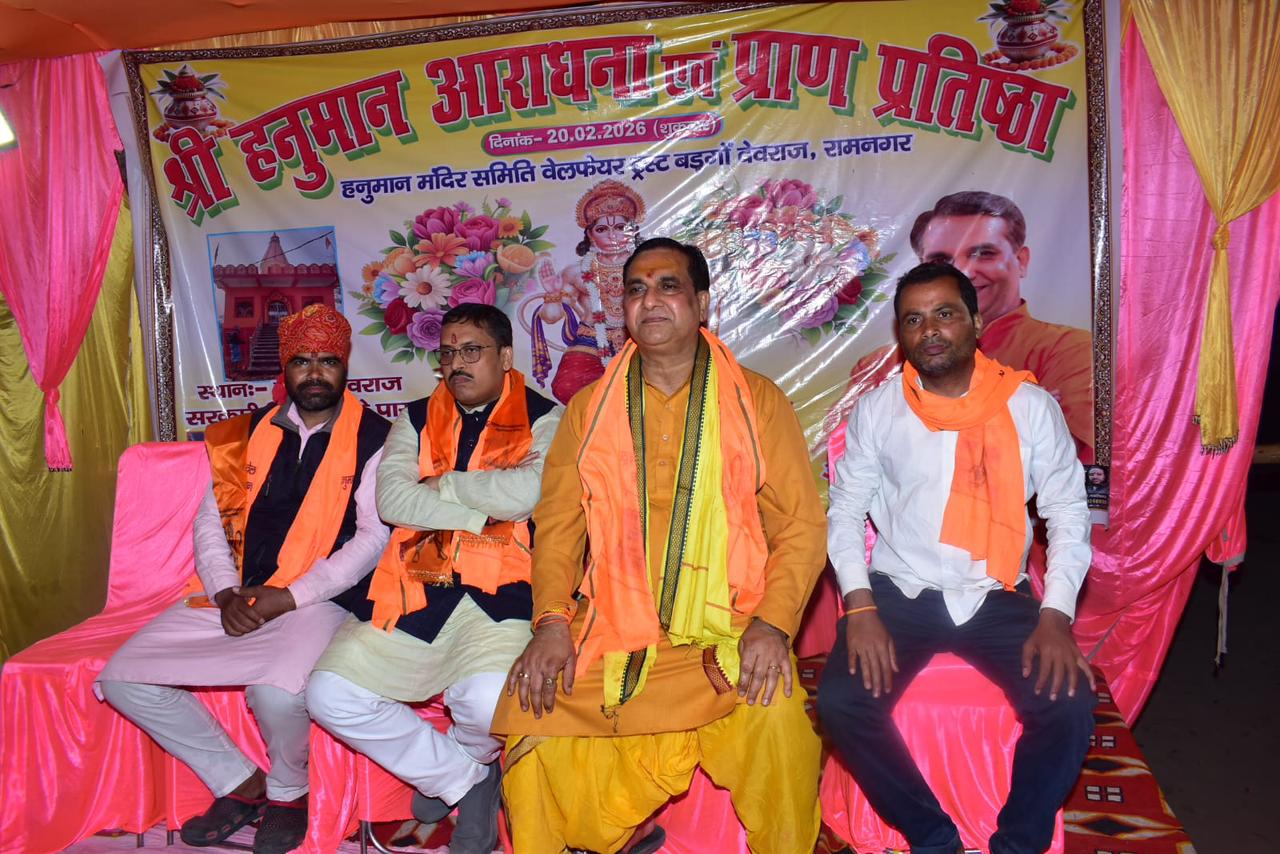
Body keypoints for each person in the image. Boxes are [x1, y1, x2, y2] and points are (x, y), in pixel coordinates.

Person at [492, 238, 828, 854]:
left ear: (702, 303)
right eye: (636, 289)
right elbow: (559, 526)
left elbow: (800, 526)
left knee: (779, 723)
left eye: (668, 286)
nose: (650, 300)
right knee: (532, 721)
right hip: (618, 628)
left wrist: (774, 625)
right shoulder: (589, 409)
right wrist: (551, 623)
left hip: (729, 628)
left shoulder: (757, 401)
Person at [818, 262, 1096, 854]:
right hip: (901, 591)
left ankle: (1017, 844)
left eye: (944, 314)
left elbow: (1068, 514)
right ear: (901, 334)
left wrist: (1056, 615)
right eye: (913, 320)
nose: (930, 330)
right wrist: (859, 607)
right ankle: (933, 837)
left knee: (1069, 705)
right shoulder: (878, 410)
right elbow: (844, 512)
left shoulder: (1029, 407)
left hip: (997, 593)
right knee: (842, 703)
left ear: (975, 321)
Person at [98, 304, 391, 854]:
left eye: (327, 361)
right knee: (122, 679)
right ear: (285, 367)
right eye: (302, 361)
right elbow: (211, 522)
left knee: (276, 694)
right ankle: (239, 780)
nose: (314, 373)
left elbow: (373, 539)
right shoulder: (242, 435)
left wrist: (291, 596)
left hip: (320, 601)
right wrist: (224, 592)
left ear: (344, 365)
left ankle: (289, 791)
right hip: (235, 594)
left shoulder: (378, 438)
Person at [305, 303, 561, 854]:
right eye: (447, 353)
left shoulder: (546, 416)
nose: (456, 363)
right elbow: (393, 501)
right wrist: (484, 511)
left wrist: (442, 485)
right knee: (329, 694)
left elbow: (528, 493)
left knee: (488, 701)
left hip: (502, 594)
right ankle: (466, 779)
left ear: (505, 357)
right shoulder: (414, 418)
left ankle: (462, 759)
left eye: (471, 351)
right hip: (413, 587)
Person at [832, 191, 1095, 462]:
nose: (963, 273)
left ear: (1021, 260)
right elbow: (847, 460)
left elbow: (1062, 459)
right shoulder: (877, 368)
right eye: (940, 261)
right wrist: (1016, 421)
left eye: (983, 253)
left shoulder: (1069, 352)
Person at [521, 179, 645, 403]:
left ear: (633, 230)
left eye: (620, 227)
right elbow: (551, 317)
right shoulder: (576, 272)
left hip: (640, 339)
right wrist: (552, 295)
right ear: (590, 235)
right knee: (566, 386)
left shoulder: (646, 267)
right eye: (602, 229)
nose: (612, 235)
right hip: (591, 340)